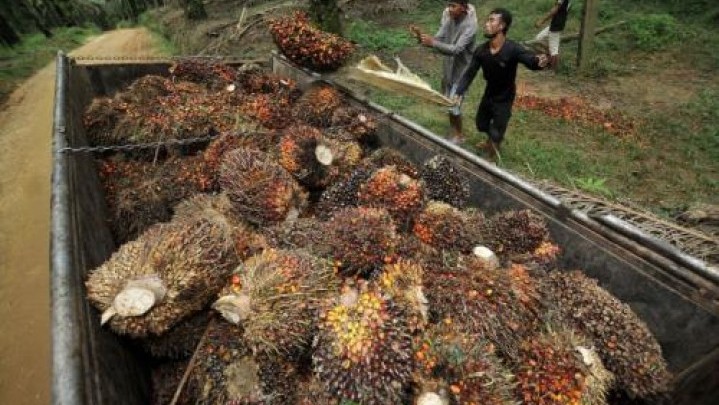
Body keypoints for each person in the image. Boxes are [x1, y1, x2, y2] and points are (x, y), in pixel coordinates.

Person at [451, 8, 548, 160]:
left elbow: (529, 60)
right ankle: (492, 139)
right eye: (487, 20)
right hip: (489, 92)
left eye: (491, 20)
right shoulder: (481, 50)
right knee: (481, 124)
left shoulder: (512, 48)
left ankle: (491, 160)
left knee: (496, 131)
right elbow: (470, 73)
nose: (486, 24)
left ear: (502, 26)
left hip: (505, 95)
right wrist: (459, 91)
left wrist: (539, 62)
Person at [409, 1, 477, 143]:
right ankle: (454, 130)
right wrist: (420, 36)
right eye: (448, 5)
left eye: (453, 6)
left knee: (453, 105)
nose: (449, 9)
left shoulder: (471, 26)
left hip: (462, 72)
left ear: (463, 8)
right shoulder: (450, 19)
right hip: (449, 68)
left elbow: (457, 49)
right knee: (448, 103)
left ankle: (459, 136)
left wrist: (432, 43)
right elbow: (437, 39)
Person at [533, 0, 572, 71]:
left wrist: (542, 20)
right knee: (539, 38)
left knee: (554, 49)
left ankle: (553, 70)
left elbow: (554, 10)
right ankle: (548, 59)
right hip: (556, 24)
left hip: (556, 25)